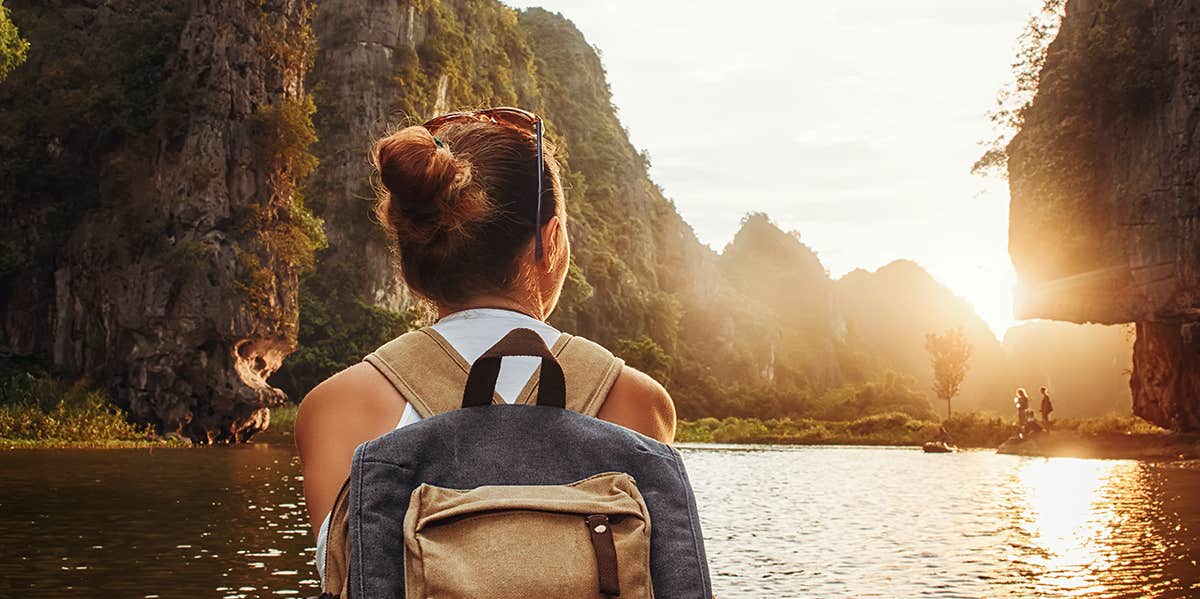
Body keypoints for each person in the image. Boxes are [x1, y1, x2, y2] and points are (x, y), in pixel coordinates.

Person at [293, 107, 677, 581]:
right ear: (550, 241)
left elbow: (345, 577)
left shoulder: (336, 408)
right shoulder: (636, 401)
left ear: (409, 246)